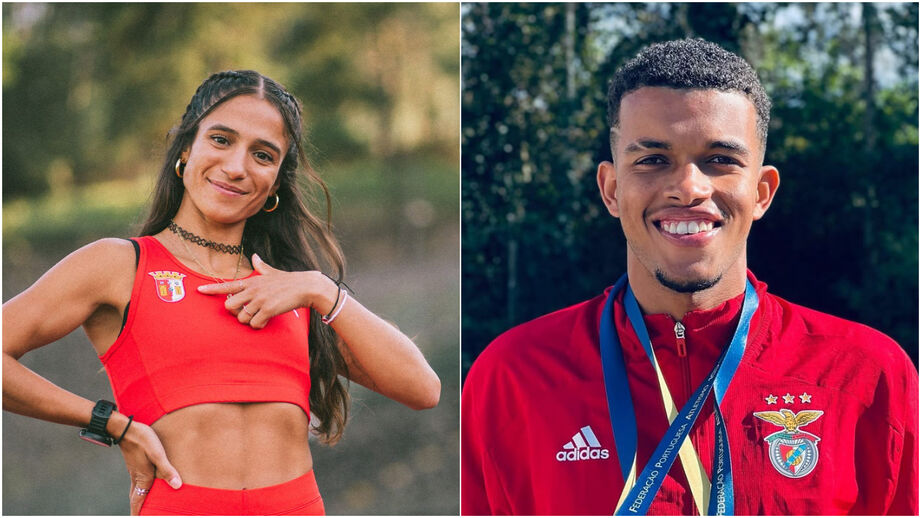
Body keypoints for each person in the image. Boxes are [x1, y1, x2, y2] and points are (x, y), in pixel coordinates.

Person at [461, 39, 917, 515]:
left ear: (762, 192)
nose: (689, 188)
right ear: (612, 189)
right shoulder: (512, 377)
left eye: (720, 160)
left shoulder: (867, 374)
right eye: (653, 160)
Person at [3, 70, 440, 516]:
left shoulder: (291, 289)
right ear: (186, 147)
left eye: (263, 155)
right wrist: (111, 423)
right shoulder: (120, 265)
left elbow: (422, 388)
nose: (236, 167)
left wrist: (319, 288)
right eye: (221, 140)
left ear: (276, 182)